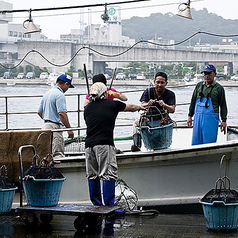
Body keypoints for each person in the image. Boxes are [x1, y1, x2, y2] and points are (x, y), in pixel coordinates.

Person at [84, 82, 145, 211]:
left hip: (89, 146)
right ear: (105, 93)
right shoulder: (112, 104)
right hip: (104, 145)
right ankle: (109, 206)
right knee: (108, 174)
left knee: (93, 175)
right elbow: (131, 107)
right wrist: (141, 107)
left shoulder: (88, 108)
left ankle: (97, 205)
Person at [131, 71, 176, 151]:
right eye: (158, 82)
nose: (159, 85)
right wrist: (148, 103)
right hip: (148, 118)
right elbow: (142, 105)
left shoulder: (170, 94)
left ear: (166, 83)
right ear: (154, 82)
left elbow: (172, 109)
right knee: (136, 123)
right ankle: (137, 146)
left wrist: (165, 105)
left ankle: (163, 144)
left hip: (162, 119)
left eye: (162, 83)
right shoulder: (148, 91)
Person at [187, 64, 227, 145]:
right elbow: (193, 101)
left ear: (215, 74)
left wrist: (224, 120)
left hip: (210, 119)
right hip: (198, 118)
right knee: (195, 142)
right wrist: (190, 116)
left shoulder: (219, 88)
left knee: (209, 143)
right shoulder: (199, 85)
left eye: (209, 73)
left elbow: (223, 105)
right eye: (205, 73)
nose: (207, 76)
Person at [37, 74, 74, 158]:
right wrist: (69, 130)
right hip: (55, 127)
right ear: (66, 84)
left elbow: (39, 112)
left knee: (47, 154)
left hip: (45, 126)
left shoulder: (47, 94)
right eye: (68, 86)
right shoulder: (59, 95)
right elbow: (62, 114)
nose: (67, 89)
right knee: (57, 155)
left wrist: (48, 118)